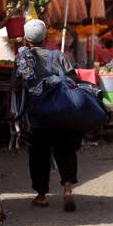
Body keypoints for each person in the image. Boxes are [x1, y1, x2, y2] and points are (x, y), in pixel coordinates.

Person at [13, 19, 82, 212]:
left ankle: (42, 195)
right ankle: (67, 189)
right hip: (61, 113)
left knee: (38, 154)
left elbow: (16, 87)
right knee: (66, 150)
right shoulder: (59, 55)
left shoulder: (22, 59)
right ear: (45, 37)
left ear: (26, 38)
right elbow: (73, 81)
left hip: (36, 117)